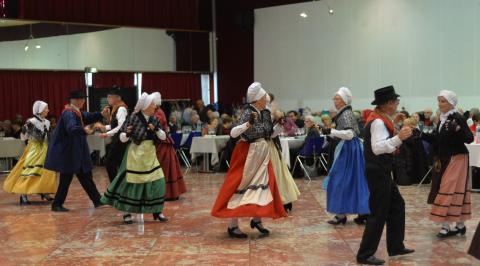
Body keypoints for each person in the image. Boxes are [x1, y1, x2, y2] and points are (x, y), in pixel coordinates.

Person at [211, 82, 287, 238]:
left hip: (262, 154)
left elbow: (269, 134)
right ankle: (232, 225)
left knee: (261, 186)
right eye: (264, 97)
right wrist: (248, 123)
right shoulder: (248, 112)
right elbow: (233, 133)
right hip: (247, 153)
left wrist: (279, 126)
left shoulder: (265, 112)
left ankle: (257, 219)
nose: (266, 99)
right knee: (240, 185)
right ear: (258, 99)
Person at [356, 86, 414, 265]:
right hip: (378, 170)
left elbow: (383, 135)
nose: (397, 103)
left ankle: (396, 246)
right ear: (388, 103)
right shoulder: (378, 122)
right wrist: (400, 138)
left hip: (380, 170)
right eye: (395, 101)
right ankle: (365, 255)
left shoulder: (380, 118)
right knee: (378, 212)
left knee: (397, 205)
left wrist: (394, 123)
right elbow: (378, 147)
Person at [101, 92, 168, 224]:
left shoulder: (154, 119)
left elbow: (163, 137)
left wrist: (156, 130)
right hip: (135, 154)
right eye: (153, 104)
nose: (155, 106)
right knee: (131, 183)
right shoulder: (132, 118)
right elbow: (122, 138)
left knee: (158, 181)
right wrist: (127, 133)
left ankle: (157, 211)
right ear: (146, 106)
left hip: (150, 154)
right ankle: (126, 212)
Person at [421, 90, 473, 237]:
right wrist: (421, 135)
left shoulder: (458, 117)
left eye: (443, 101)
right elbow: (438, 139)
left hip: (457, 158)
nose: (439, 104)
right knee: (446, 188)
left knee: (449, 189)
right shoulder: (442, 118)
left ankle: (447, 226)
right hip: (444, 158)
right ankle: (459, 225)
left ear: (451, 103)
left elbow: (469, 138)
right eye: (439, 101)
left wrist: (457, 130)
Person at [45, 90, 105, 212]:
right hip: (70, 152)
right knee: (67, 179)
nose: (83, 101)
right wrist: (84, 130)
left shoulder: (75, 112)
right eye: (82, 99)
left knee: (84, 176)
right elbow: (71, 128)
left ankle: (97, 200)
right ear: (77, 100)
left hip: (75, 151)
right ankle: (57, 204)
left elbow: (87, 116)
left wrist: (100, 114)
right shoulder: (69, 113)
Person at [321, 87, 370, 226]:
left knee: (341, 181)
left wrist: (331, 130)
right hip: (347, 149)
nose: (334, 100)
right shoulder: (344, 113)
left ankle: (344, 214)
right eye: (334, 98)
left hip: (349, 151)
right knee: (352, 181)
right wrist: (329, 131)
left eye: (337, 98)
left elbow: (349, 134)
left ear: (344, 100)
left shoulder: (346, 114)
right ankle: (359, 213)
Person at [3, 101, 57, 204]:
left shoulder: (47, 122)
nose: (48, 110)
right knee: (30, 171)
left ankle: (44, 191)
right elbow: (23, 136)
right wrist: (30, 132)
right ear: (40, 110)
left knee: (46, 171)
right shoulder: (31, 121)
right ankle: (23, 195)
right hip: (34, 149)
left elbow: (48, 137)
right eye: (46, 108)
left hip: (45, 148)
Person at [265, 94, 300, 213]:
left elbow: (271, 134)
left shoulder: (271, 112)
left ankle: (282, 200)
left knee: (278, 173)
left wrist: (279, 122)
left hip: (270, 146)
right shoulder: (263, 112)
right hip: (266, 147)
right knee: (277, 173)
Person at [152, 92, 187, 201]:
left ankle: (166, 193)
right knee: (168, 168)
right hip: (162, 143)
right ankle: (171, 192)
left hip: (162, 144)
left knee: (163, 168)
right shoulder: (158, 111)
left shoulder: (157, 112)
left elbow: (156, 126)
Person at [97, 87, 128, 183]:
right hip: (117, 139)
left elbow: (121, 126)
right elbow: (114, 125)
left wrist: (107, 134)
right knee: (116, 164)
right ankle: (118, 186)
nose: (108, 99)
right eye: (108, 97)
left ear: (117, 98)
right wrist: (104, 127)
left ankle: (115, 186)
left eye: (110, 97)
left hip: (120, 141)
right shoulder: (116, 107)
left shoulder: (121, 108)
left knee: (110, 163)